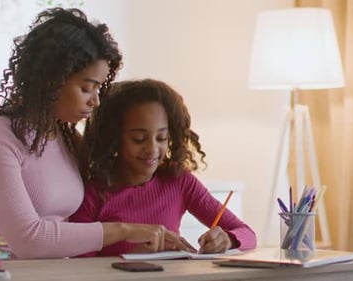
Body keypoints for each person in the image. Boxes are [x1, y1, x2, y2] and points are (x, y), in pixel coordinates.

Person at [0, 8, 192, 259]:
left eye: (98, 88)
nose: (96, 101)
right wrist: (123, 231)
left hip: (59, 273)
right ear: (53, 80)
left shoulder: (69, 140)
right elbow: (28, 241)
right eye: (86, 88)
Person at [71, 79, 257, 256]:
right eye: (139, 139)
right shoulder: (92, 194)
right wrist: (131, 257)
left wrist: (228, 239)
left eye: (161, 138)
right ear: (113, 139)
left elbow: (247, 234)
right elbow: (80, 267)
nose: (152, 149)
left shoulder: (179, 181)